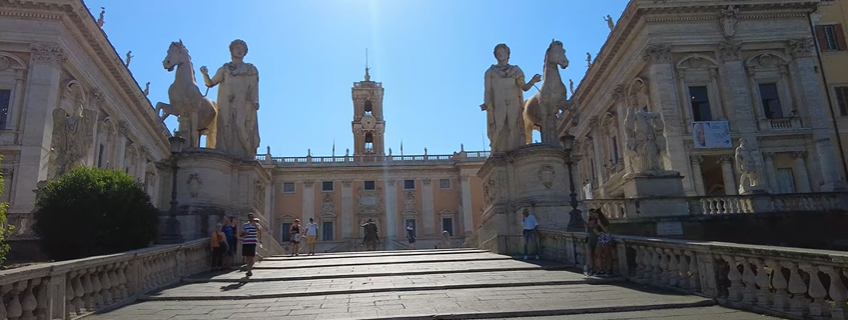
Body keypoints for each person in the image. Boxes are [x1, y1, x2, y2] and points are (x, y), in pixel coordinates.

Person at [199, 39, 260, 158]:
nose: (239, 51)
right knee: (224, 126)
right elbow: (211, 83)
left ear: (245, 53)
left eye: (242, 49)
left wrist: (255, 101)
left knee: (241, 126)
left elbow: (254, 87)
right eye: (237, 48)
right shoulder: (224, 69)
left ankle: (247, 154)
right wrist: (205, 74)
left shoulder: (250, 69)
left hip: (242, 102)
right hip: (225, 102)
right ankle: (224, 154)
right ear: (231, 51)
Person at [480, 43, 541, 152]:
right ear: (495, 55)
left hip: (514, 101)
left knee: (514, 125)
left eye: (503, 52)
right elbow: (488, 90)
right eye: (498, 53)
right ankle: (495, 150)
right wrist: (486, 103)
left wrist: (532, 81)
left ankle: (515, 151)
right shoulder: (490, 72)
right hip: (499, 102)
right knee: (499, 125)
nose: (501, 55)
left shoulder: (516, 70)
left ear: (508, 54)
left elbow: (524, 87)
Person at [593, 209, 614, 277]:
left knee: (607, 254)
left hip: (605, 236)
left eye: (596, 214)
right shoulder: (596, 220)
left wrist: (600, 224)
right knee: (597, 253)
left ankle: (609, 270)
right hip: (601, 236)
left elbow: (606, 230)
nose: (595, 215)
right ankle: (600, 269)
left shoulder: (603, 220)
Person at [585, 209, 600, 276]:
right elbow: (587, 231)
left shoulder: (598, 221)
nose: (591, 215)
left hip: (596, 239)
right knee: (590, 255)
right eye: (590, 214)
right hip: (590, 239)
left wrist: (591, 227)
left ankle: (597, 268)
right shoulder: (589, 221)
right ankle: (592, 268)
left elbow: (598, 229)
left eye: (592, 213)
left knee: (597, 255)